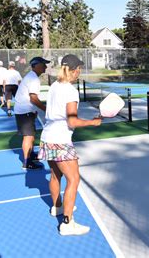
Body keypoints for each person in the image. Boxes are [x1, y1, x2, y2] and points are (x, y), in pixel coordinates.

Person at [38, 54, 101, 236]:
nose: (79, 71)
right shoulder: (71, 91)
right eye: (79, 68)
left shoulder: (54, 86)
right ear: (74, 70)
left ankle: (57, 207)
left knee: (55, 176)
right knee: (73, 179)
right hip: (60, 140)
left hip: (47, 137)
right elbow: (72, 122)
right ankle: (67, 223)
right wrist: (92, 123)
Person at [14, 57, 50, 170]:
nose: (46, 66)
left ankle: (31, 155)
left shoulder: (31, 76)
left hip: (25, 110)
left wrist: (34, 110)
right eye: (44, 64)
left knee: (31, 135)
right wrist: (47, 109)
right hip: (25, 111)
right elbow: (33, 98)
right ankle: (26, 162)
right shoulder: (33, 79)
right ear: (37, 65)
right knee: (28, 137)